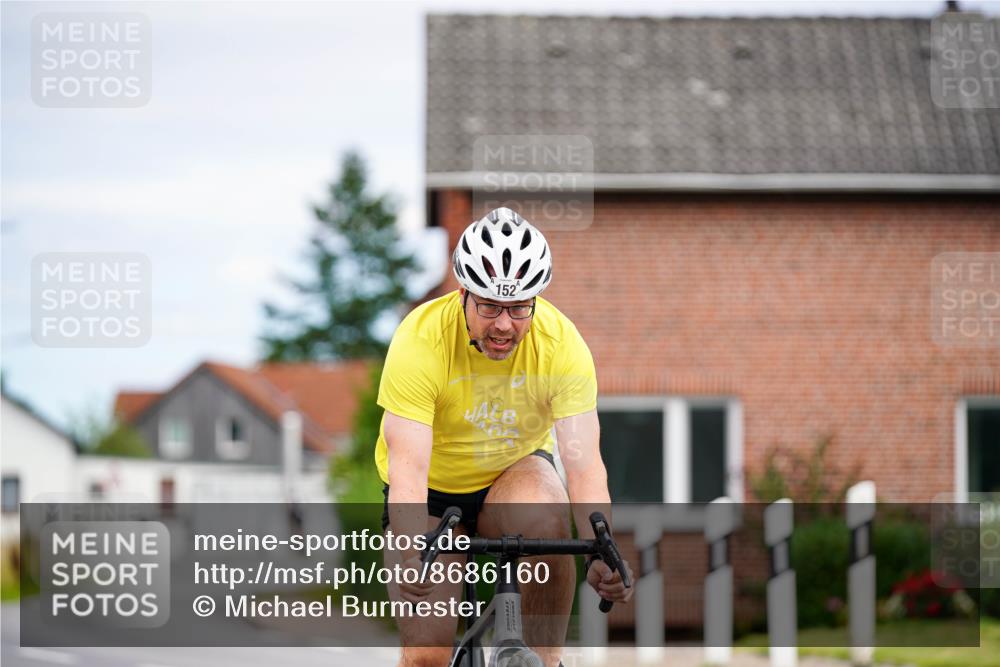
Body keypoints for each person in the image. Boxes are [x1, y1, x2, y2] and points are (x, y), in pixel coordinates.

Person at [376, 207, 632, 667]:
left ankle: (542, 661)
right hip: (432, 495)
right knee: (426, 655)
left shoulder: (561, 345)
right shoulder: (420, 341)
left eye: (518, 308)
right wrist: (412, 544)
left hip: (511, 477)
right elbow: (408, 467)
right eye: (490, 306)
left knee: (547, 521)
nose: (504, 325)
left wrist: (603, 547)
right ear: (463, 296)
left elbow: (583, 464)